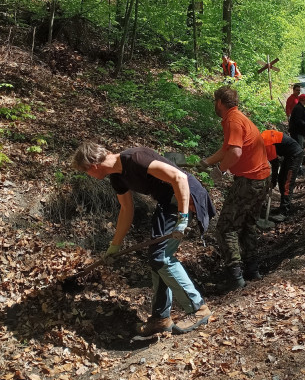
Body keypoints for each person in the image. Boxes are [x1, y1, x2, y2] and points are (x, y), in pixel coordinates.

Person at [72, 143, 215, 336]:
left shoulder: (135, 158)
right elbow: (126, 210)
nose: (87, 175)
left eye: (85, 171)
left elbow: (179, 177)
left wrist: (183, 218)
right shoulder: (117, 178)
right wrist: (114, 246)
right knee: (157, 260)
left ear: (93, 166)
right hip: (167, 204)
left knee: (162, 258)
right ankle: (160, 318)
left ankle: (198, 309)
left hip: (185, 198)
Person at [202, 86, 271, 289]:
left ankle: (235, 277)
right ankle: (252, 270)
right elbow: (227, 148)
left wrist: (220, 170)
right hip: (261, 178)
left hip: (250, 181)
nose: (214, 105)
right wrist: (207, 162)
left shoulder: (232, 120)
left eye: (215, 101)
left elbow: (235, 153)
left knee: (225, 228)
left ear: (220, 103)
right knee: (247, 225)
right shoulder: (237, 117)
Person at [261, 129, 303, 218]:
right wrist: (276, 180)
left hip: (295, 155)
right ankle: (282, 206)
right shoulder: (262, 137)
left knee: (287, 182)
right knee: (281, 180)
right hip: (288, 155)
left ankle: (284, 212)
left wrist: (273, 181)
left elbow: (275, 164)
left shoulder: (266, 143)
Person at [288, 94, 305, 169]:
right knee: (299, 150)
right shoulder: (299, 108)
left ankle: (297, 165)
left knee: (300, 147)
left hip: (297, 131)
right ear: (303, 100)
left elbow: (303, 117)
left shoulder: (300, 107)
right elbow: (298, 120)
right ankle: (297, 167)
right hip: (297, 132)